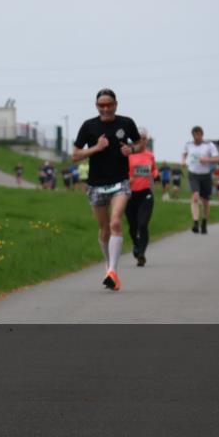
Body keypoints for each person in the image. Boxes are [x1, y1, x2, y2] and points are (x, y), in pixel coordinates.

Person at [72, 88, 142, 291]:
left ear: (116, 105)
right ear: (97, 106)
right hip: (96, 184)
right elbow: (75, 155)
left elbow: (139, 144)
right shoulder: (89, 126)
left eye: (109, 105)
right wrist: (96, 148)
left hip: (120, 182)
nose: (105, 108)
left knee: (116, 221)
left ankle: (112, 271)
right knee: (103, 230)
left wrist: (132, 149)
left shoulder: (126, 123)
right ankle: (109, 266)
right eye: (101, 105)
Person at [125, 128, 158, 267]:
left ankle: (141, 254)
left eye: (144, 138)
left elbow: (154, 169)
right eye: (138, 138)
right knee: (133, 226)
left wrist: (155, 175)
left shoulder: (150, 155)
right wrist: (129, 178)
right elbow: (121, 172)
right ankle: (136, 244)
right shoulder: (127, 155)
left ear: (146, 140)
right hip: (130, 195)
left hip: (146, 193)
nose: (141, 141)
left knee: (143, 224)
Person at [182, 126, 219, 235]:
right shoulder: (188, 144)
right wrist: (183, 160)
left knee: (205, 201)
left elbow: (218, 159)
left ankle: (204, 221)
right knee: (195, 197)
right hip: (193, 174)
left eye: (199, 135)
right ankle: (195, 223)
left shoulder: (209, 145)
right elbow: (184, 153)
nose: (197, 137)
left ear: (202, 135)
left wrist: (207, 159)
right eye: (195, 135)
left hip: (205, 175)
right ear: (193, 135)